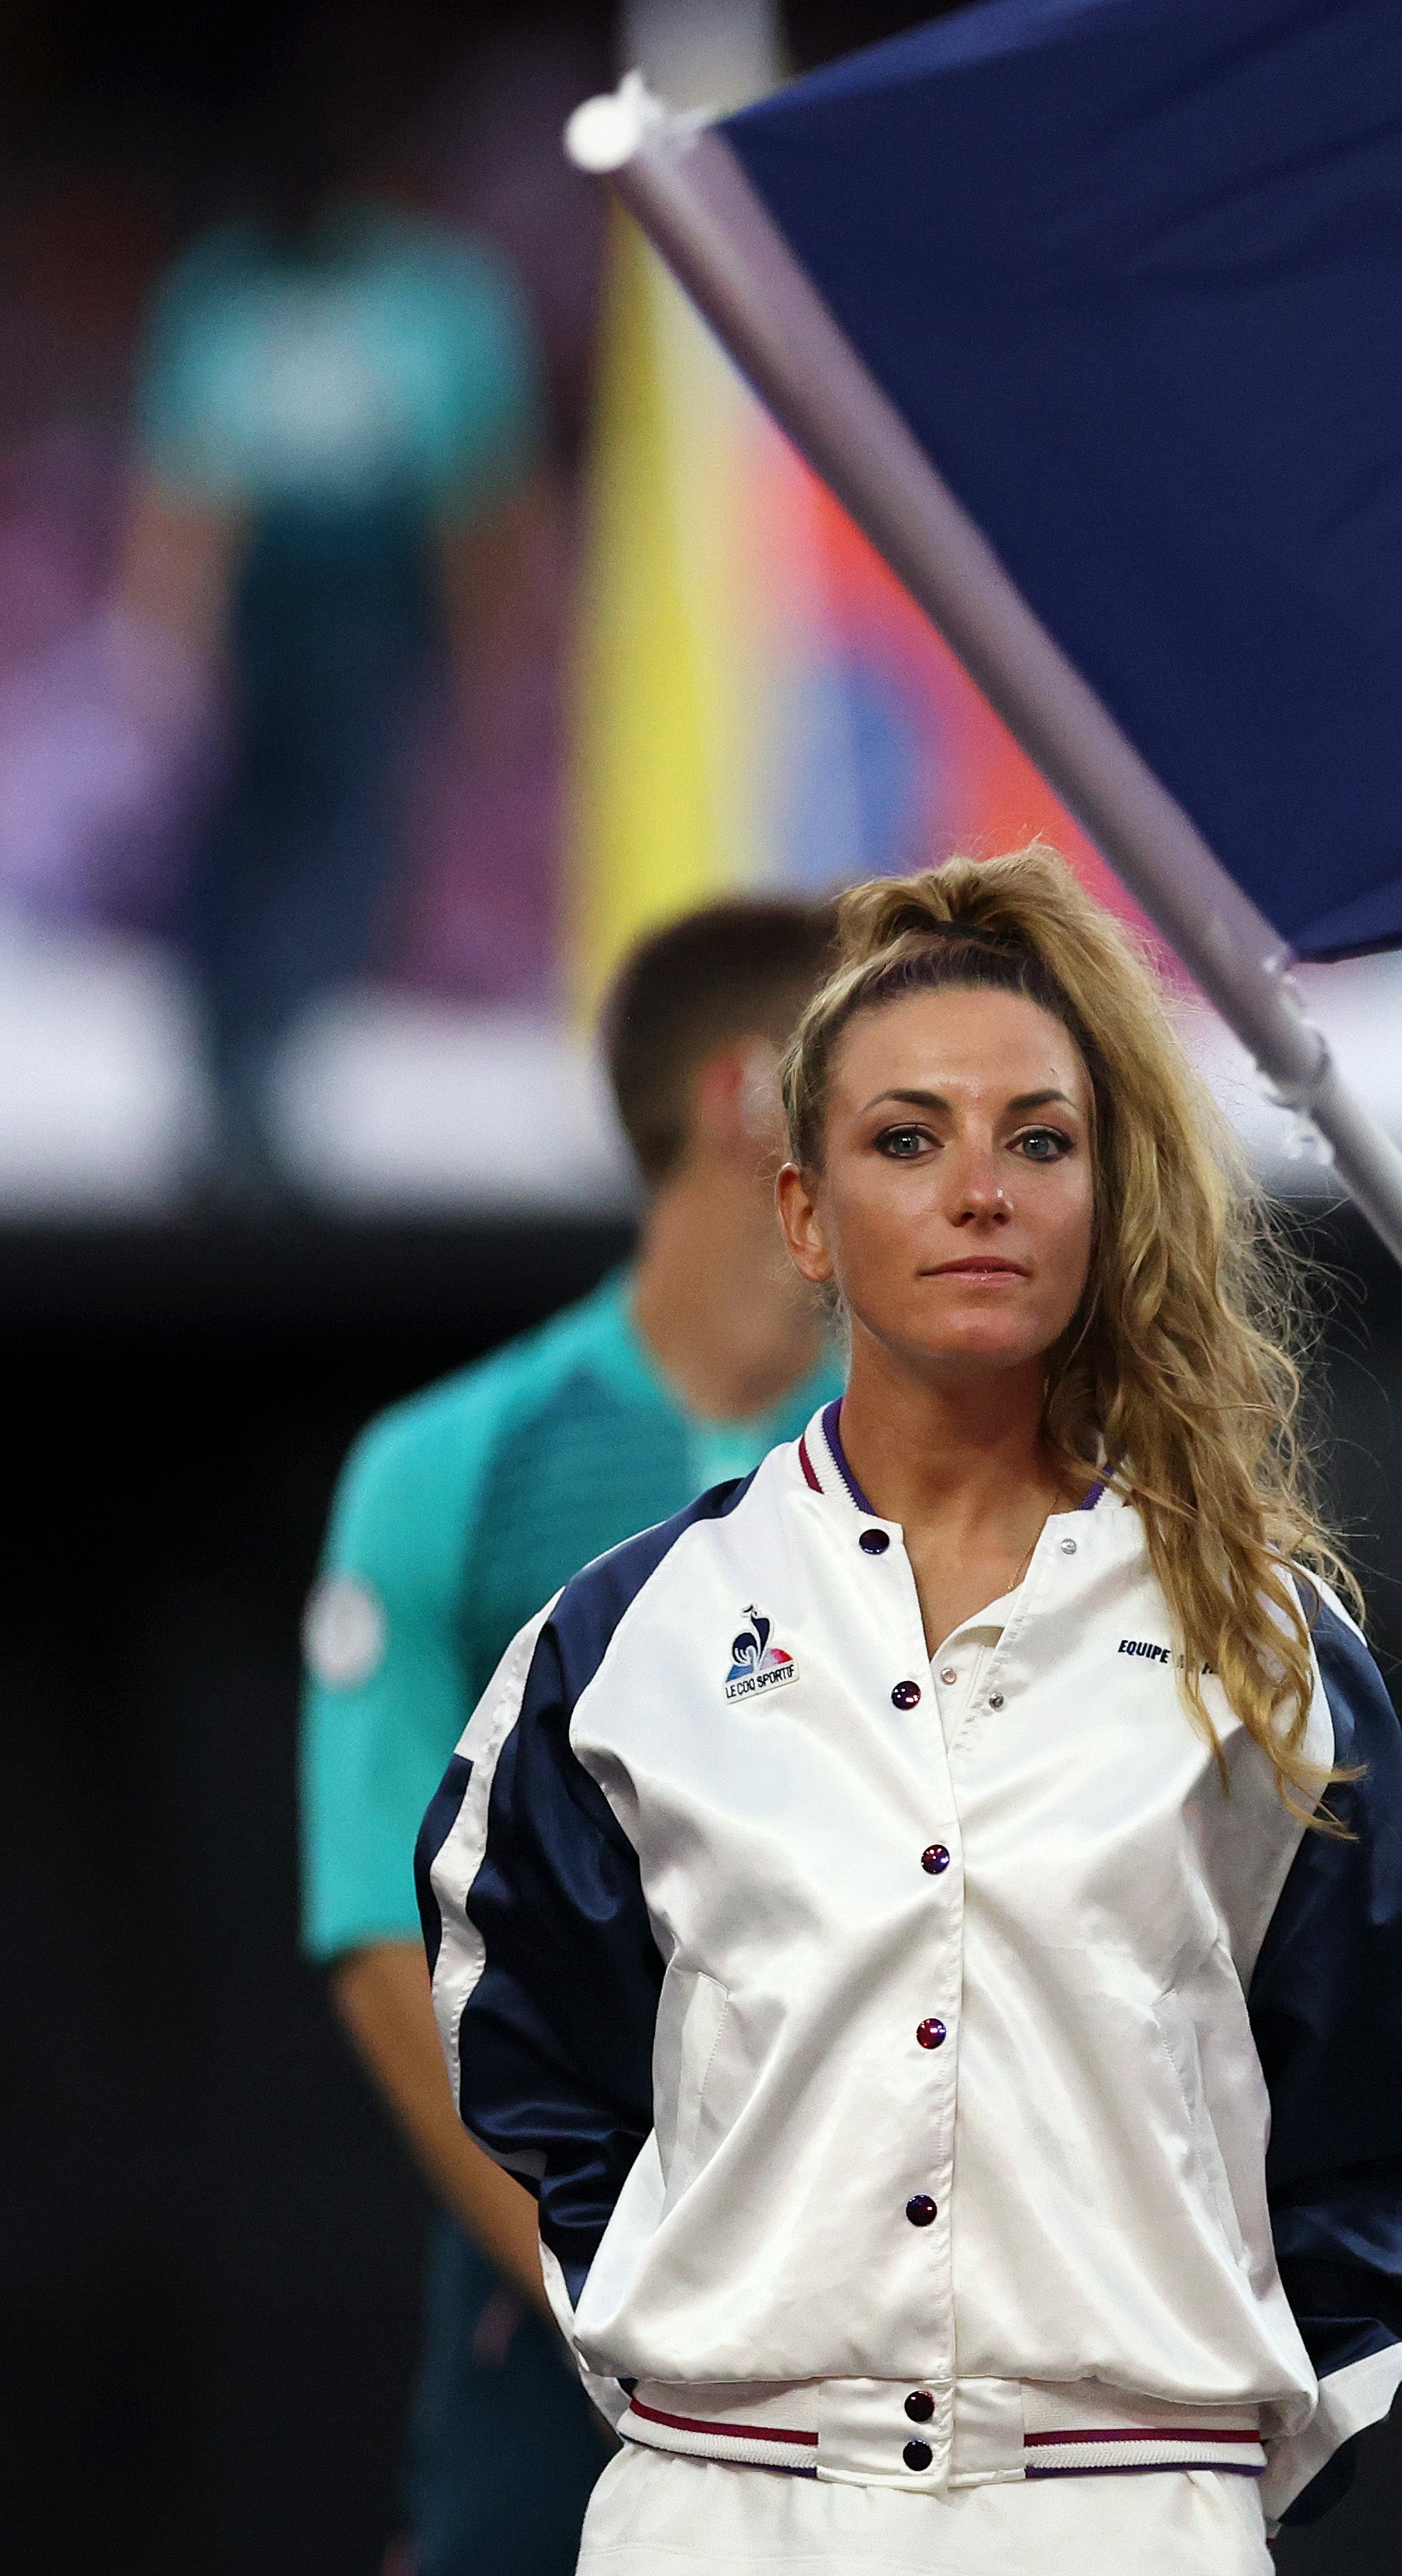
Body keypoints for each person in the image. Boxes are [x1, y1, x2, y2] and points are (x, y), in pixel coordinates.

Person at [420, 849, 1402, 2569]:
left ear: (1104, 1193)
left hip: (1125, 2510)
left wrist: (1193, 2472)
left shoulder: (1265, 1649)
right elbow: (525, 2041)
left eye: (1039, 1141)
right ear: (802, 1210)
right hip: (731, 2506)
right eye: (906, 1139)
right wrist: (694, 2337)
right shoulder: (633, 1641)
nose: (979, 1190)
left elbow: (1393, 2120)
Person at [303, 893, 844, 2576]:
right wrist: (601, 2290)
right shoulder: (446, 1469)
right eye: (886, 1083)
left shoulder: (976, 1466)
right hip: (562, 2335)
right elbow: (377, 1920)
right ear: (754, 1097)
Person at [122, 13, 544, 1196]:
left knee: (346, 850)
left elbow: (475, 497)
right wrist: (166, 629)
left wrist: (489, 642)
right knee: (242, 848)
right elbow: (189, 486)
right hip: (270, 607)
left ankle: (278, 1068)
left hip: (373, 607)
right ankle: (231, 1075)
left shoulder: (433, 296)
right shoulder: (222, 291)